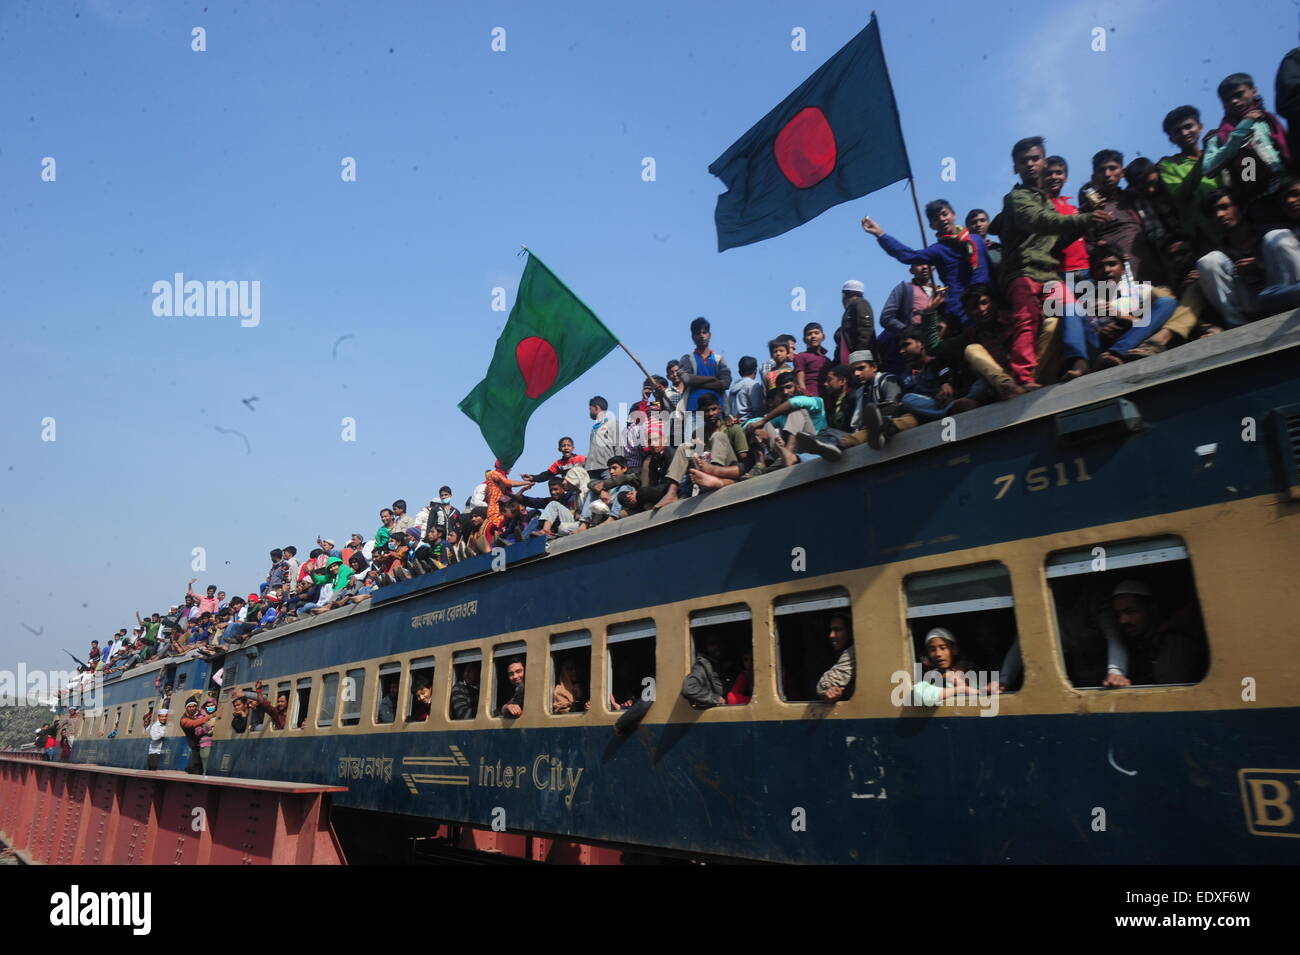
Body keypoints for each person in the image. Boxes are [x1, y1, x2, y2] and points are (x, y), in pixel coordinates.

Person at [997, 136, 1110, 388]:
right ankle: (1023, 379)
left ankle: (1088, 361)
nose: (1030, 164)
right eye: (1023, 161)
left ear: (1044, 162)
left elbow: (1055, 240)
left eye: (1035, 159)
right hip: (1022, 272)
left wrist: (1086, 222)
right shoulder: (1016, 198)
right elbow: (1037, 221)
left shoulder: (1046, 201)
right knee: (1027, 321)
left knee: (1073, 308)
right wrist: (1083, 219)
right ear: (1015, 167)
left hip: (1047, 273)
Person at [862, 200, 992, 329]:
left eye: (944, 214)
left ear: (953, 215)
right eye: (936, 218)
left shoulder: (976, 241)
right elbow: (909, 256)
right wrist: (880, 234)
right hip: (962, 311)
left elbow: (990, 271)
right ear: (932, 226)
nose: (942, 219)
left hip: (990, 303)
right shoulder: (938, 250)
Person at [1203, 72, 1293, 228]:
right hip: (1259, 202)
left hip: (1289, 191)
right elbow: (1208, 168)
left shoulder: (1269, 120)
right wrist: (1242, 128)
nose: (1234, 101)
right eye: (1227, 99)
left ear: (1254, 91)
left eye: (1239, 94)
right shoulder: (1219, 136)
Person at [655, 392, 749, 506]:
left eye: (713, 409)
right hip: (705, 474)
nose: (710, 414)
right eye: (706, 411)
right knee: (684, 447)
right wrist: (697, 451)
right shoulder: (698, 434)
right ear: (700, 414)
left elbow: (744, 460)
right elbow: (697, 461)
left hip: (729, 472)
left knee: (718, 436)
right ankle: (672, 492)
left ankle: (715, 478)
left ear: (719, 409)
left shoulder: (732, 429)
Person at [1110, 580, 1206, 685]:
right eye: (1118, 614)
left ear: (1152, 609)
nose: (1122, 620)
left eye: (1130, 612)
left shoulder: (1175, 642)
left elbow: (1169, 688)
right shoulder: (1137, 643)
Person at [1157, 105, 1221, 252]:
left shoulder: (1218, 151)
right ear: (1171, 139)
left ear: (1200, 127)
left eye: (1188, 126)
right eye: (1177, 131)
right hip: (1203, 235)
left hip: (1234, 223)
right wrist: (1204, 158)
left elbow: (1246, 172)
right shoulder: (1168, 166)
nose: (1184, 133)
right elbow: (1181, 195)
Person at [876, 263, 935, 376]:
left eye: (927, 263)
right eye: (919, 264)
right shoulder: (905, 288)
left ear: (933, 267)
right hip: (909, 354)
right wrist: (908, 332)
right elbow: (886, 317)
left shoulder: (938, 291)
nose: (924, 267)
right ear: (911, 270)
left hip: (933, 347)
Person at [677, 316, 732, 413]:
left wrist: (696, 383)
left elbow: (725, 383)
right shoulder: (687, 359)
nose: (702, 336)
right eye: (698, 333)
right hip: (693, 410)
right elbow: (686, 378)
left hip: (716, 411)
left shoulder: (719, 360)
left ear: (709, 335)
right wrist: (712, 378)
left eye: (704, 332)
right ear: (693, 337)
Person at [833, 280, 875, 366]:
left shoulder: (860, 303)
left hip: (859, 364)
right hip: (849, 367)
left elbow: (865, 330)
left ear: (845, 295)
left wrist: (860, 358)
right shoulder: (851, 309)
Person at [816, 614, 856, 702]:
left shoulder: (853, 652)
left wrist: (828, 689)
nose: (831, 635)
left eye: (837, 630)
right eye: (831, 630)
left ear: (851, 632)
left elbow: (824, 686)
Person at [681, 635, 728, 708]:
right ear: (705, 648)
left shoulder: (728, 666)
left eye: (719, 643)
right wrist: (715, 698)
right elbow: (689, 689)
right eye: (712, 644)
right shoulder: (702, 666)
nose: (717, 647)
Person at [586, 396, 620, 481]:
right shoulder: (595, 428)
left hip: (606, 468)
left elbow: (618, 446)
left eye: (590, 408)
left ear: (597, 408)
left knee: (610, 492)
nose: (589, 411)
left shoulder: (612, 423)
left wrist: (618, 466)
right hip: (592, 470)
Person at [794, 323, 832, 398]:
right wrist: (804, 391)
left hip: (826, 398)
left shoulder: (827, 360)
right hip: (810, 396)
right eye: (809, 334)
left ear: (823, 337)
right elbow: (800, 376)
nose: (813, 336)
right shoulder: (801, 356)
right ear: (804, 340)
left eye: (816, 333)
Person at [966, 208, 1002, 281]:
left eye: (982, 220)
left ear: (989, 223)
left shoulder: (998, 248)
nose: (978, 224)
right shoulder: (965, 252)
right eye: (973, 222)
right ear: (967, 228)